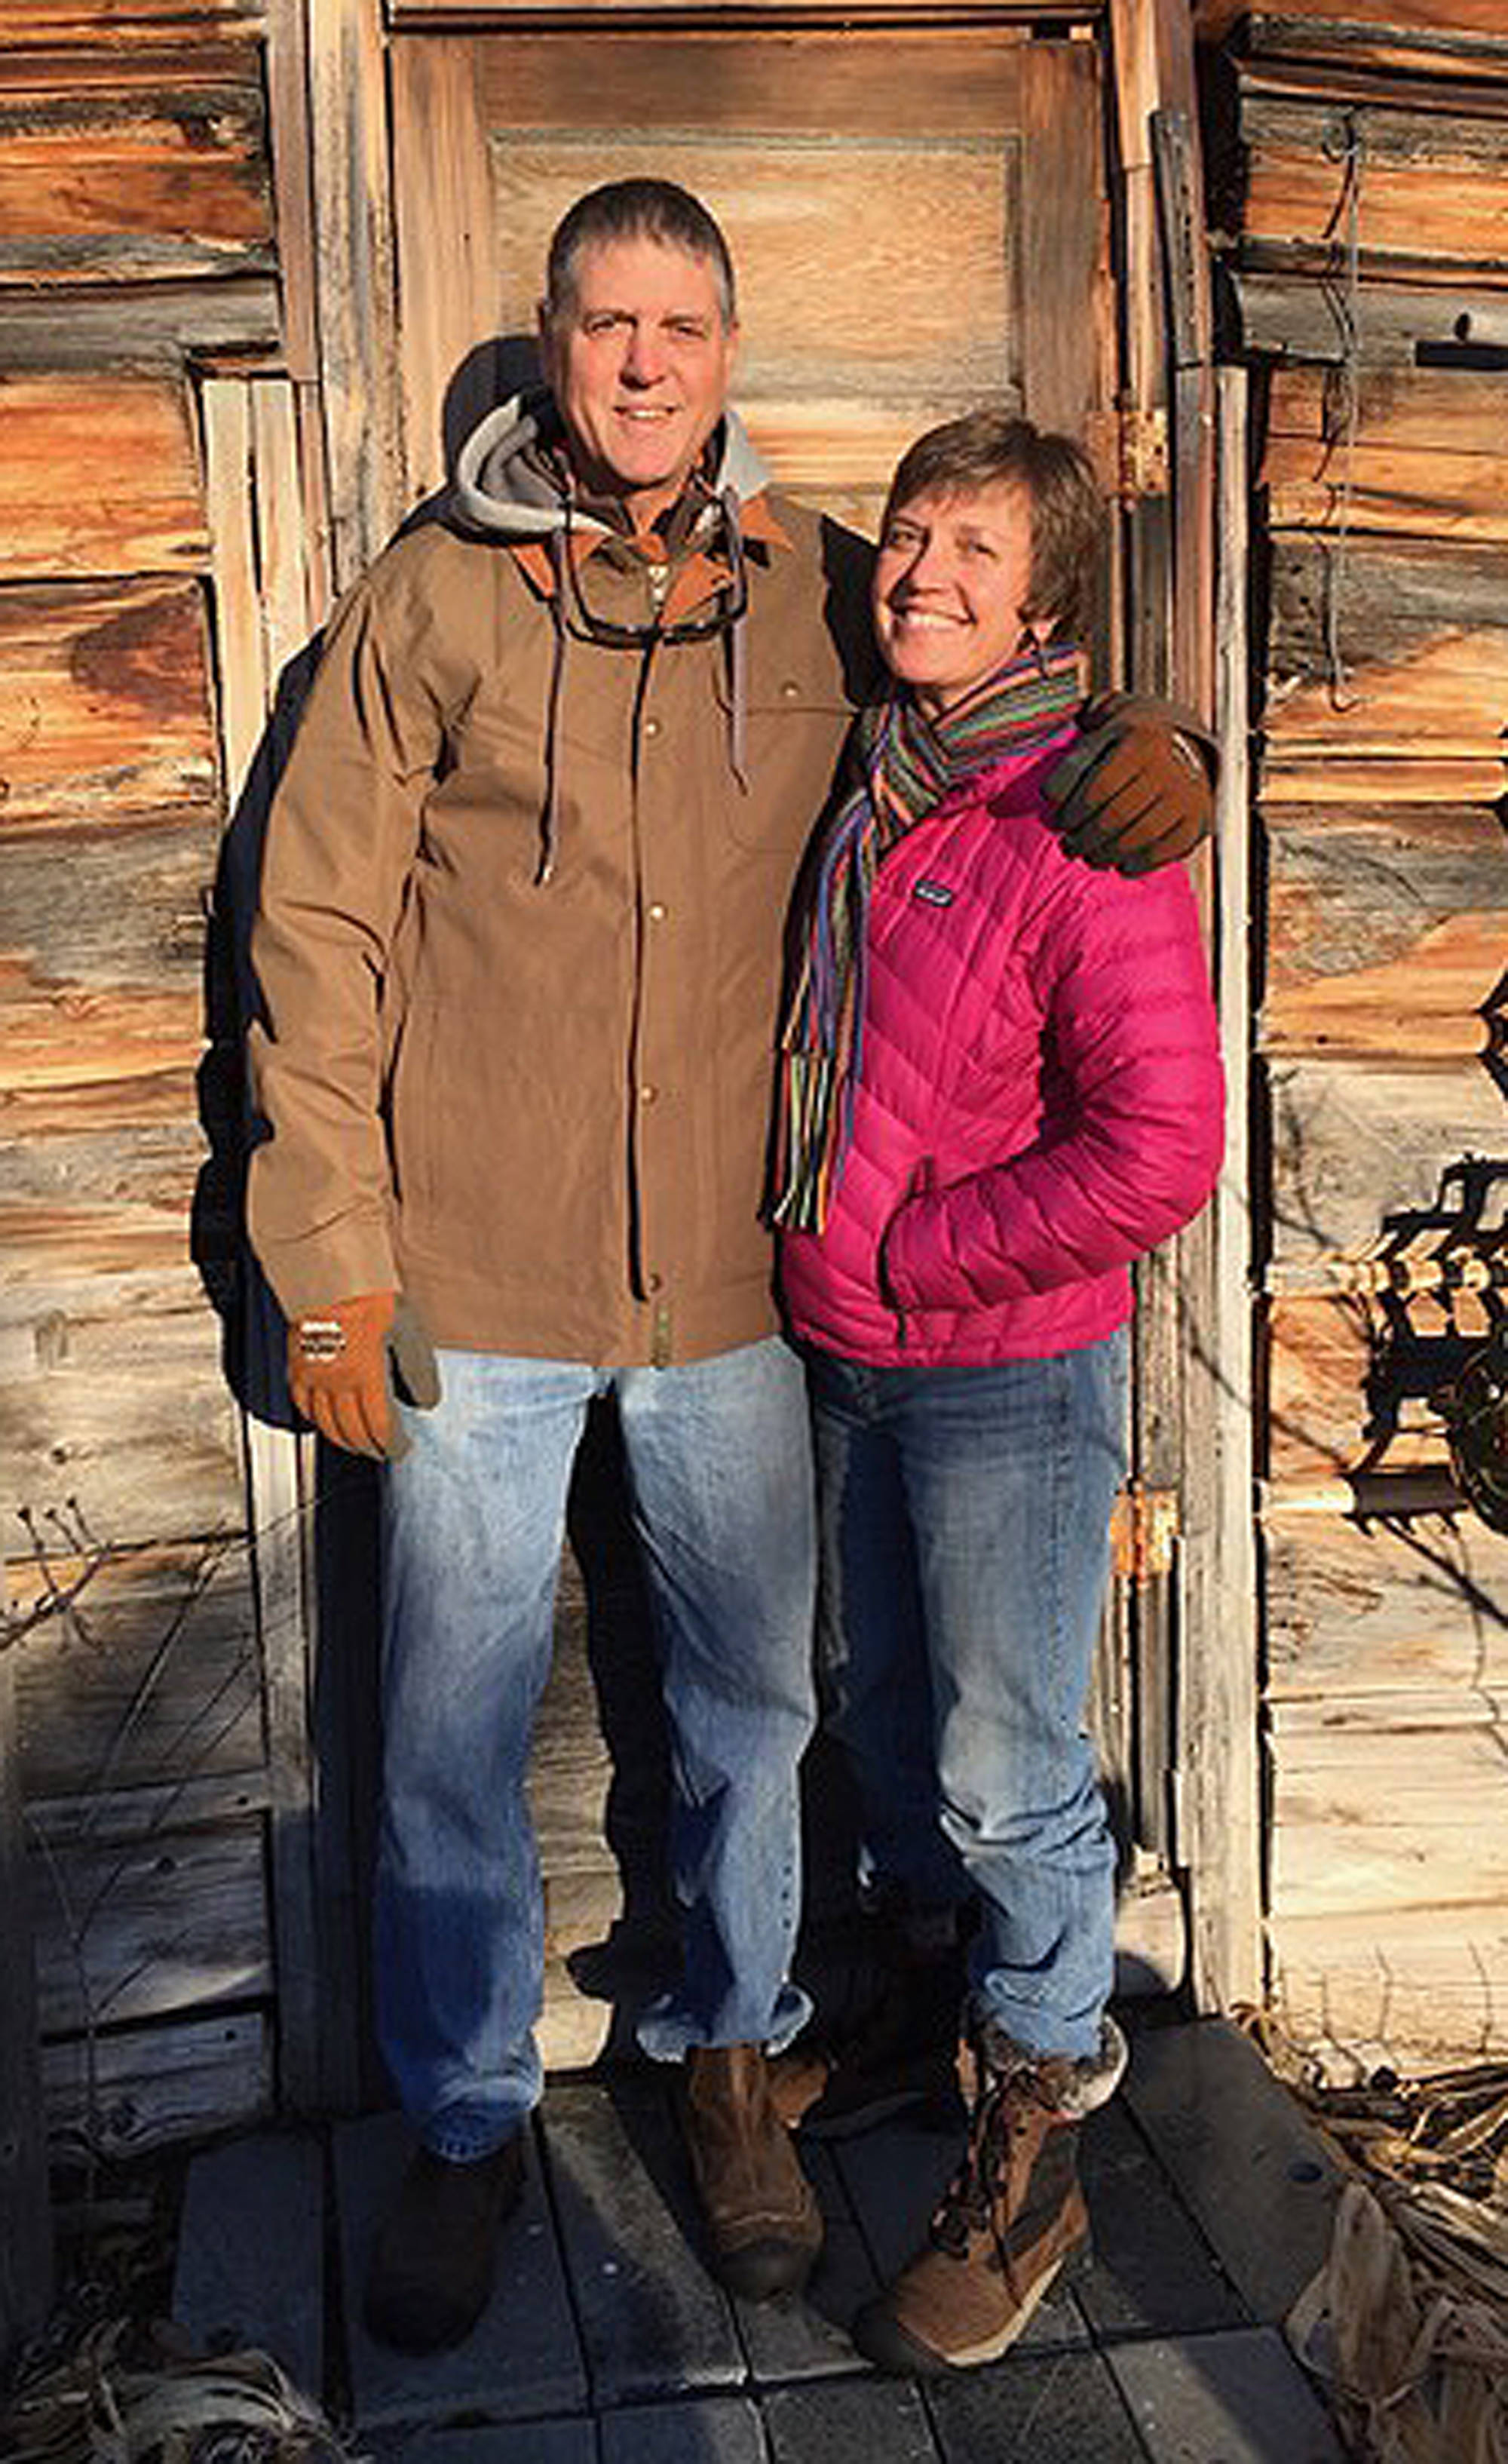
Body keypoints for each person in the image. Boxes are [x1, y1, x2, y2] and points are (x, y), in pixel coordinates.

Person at [246, 179, 1215, 2357]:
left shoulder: (810, 589)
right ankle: (473, 2120)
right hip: (475, 1277)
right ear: (553, 340)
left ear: (732, 348)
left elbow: (1011, 666)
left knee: (756, 1709)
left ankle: (734, 2048)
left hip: (733, 1284)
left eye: (685, 324)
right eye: (610, 323)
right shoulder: (436, 596)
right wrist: (326, 1256)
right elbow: (309, 925)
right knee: (448, 1723)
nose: (648, 362)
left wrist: (1173, 745)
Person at [772, 410, 1225, 2373]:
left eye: (969, 545)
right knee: (881, 1714)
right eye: (904, 533)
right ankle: (926, 1998)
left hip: (1003, 1377)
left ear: (1043, 596)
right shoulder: (882, 771)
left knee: (1001, 1761)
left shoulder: (1085, 816)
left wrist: (920, 1253)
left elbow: (1163, 1146)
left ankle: (1037, 2127)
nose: (920, 569)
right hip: (841, 1356)